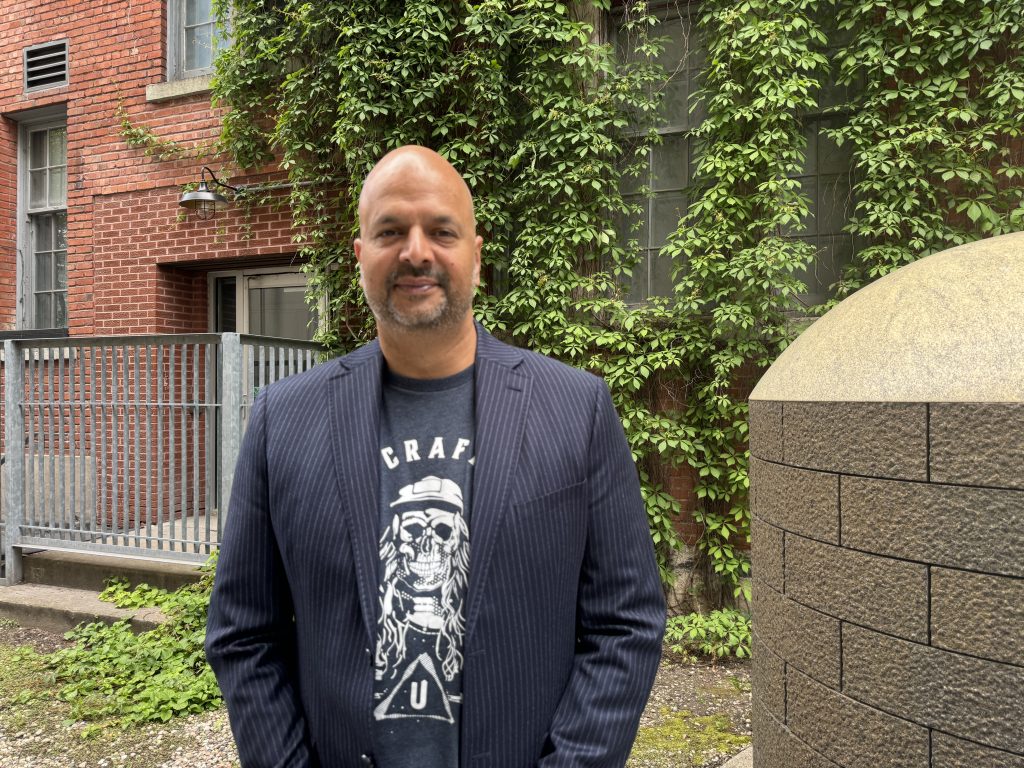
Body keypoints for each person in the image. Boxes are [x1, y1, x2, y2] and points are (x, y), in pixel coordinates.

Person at [206, 146, 666, 768]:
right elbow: (243, 634)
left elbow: (625, 623)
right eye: (390, 231)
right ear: (360, 254)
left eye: (441, 231)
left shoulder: (575, 408)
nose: (416, 251)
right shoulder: (283, 419)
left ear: (476, 255)